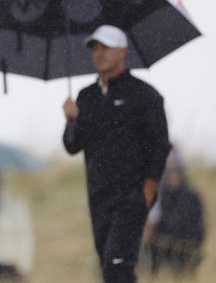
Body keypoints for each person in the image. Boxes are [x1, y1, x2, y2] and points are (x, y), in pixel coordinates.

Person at [62, 25, 170, 283]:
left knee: (117, 266)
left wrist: (149, 189)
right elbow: (72, 146)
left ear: (122, 52)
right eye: (95, 48)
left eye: (105, 48)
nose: (99, 54)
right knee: (110, 270)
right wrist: (71, 120)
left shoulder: (145, 95)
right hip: (98, 197)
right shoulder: (85, 97)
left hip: (131, 196)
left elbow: (159, 145)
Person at [142, 152, 205, 278]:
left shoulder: (192, 196)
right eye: (170, 173)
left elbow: (198, 223)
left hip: (187, 245)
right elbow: (154, 220)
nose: (174, 177)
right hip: (163, 245)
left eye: (176, 173)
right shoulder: (161, 196)